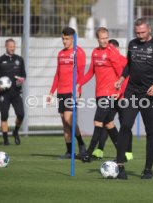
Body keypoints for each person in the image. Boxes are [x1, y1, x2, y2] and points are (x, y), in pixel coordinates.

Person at [115, 18, 153, 179]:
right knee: (125, 125)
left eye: (143, 32)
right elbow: (129, 65)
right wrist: (121, 78)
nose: (140, 35)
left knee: (151, 131)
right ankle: (120, 166)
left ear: (149, 30)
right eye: (137, 32)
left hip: (149, 95)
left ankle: (148, 169)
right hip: (132, 92)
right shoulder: (132, 44)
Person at [77, 27, 123, 162]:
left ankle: (88, 154)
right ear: (97, 39)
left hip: (109, 94)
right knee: (108, 124)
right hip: (99, 93)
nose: (104, 41)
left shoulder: (112, 52)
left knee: (98, 122)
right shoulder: (95, 52)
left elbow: (121, 73)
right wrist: (80, 84)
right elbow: (91, 72)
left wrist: (119, 91)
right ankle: (122, 152)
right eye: (102, 38)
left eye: (106, 38)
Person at [47, 27, 86, 159]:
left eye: (67, 39)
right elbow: (57, 74)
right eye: (63, 39)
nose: (64, 41)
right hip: (61, 92)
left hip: (71, 91)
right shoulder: (61, 53)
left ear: (73, 38)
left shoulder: (78, 52)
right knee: (64, 122)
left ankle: (81, 144)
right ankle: (69, 152)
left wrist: (78, 89)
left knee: (69, 118)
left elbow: (81, 74)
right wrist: (51, 92)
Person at [92, 39, 134, 161]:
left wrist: (122, 93)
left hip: (123, 97)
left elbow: (126, 79)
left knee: (125, 124)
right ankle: (100, 149)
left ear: (116, 49)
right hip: (112, 95)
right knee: (107, 121)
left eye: (112, 49)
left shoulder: (124, 61)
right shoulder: (105, 60)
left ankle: (128, 151)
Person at [0, 38, 26, 145]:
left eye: (14, 46)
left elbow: (23, 74)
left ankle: (15, 132)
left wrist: (22, 79)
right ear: (6, 46)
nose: (12, 48)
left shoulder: (19, 59)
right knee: (4, 116)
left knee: (21, 114)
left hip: (16, 92)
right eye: (10, 46)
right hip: (4, 93)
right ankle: (6, 140)